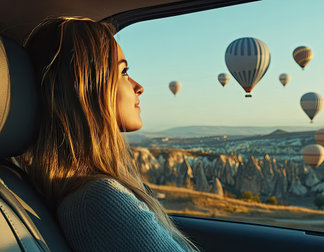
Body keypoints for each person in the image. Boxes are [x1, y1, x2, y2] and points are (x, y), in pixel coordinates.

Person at [22, 16, 197, 251]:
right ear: (85, 88)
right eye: (124, 71)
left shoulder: (89, 194)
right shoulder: (99, 199)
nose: (139, 87)